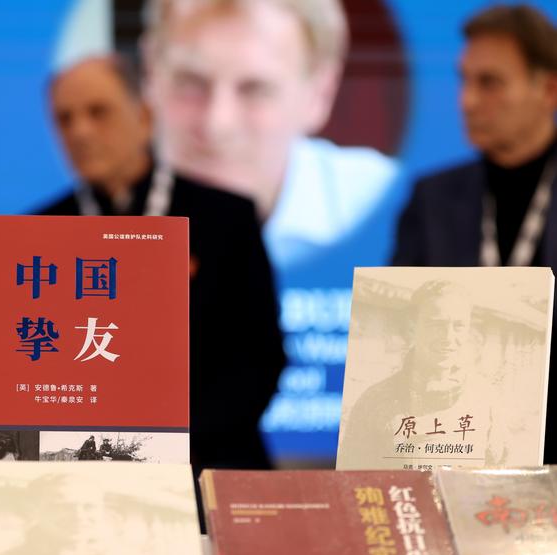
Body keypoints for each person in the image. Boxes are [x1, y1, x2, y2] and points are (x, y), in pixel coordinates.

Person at [39, 55, 285, 477]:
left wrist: (167, 447)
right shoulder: (38, 233)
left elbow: (259, 359)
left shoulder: (224, 218)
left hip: (208, 463)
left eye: (98, 112)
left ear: (145, 116)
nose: (80, 131)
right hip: (80, 470)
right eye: (65, 119)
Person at [391, 4, 557, 462]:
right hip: (455, 444)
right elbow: (404, 319)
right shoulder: (432, 197)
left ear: (548, 89)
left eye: (490, 83)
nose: (466, 101)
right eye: (464, 80)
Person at [141, 0, 400, 272]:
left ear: (320, 93)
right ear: (150, 72)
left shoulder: (390, 208)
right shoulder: (108, 210)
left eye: (255, 89)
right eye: (190, 82)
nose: (217, 124)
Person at [337, 280, 507, 470]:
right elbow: (351, 477)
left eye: (458, 326)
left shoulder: (485, 398)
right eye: (436, 324)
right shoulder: (375, 400)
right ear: (413, 326)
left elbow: (499, 472)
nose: (448, 338)